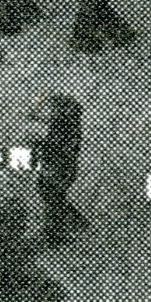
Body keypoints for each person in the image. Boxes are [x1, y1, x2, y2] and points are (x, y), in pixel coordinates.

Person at [35, 94, 88, 246]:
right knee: (53, 196)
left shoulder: (65, 127)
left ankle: (54, 235)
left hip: (60, 168)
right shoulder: (65, 125)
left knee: (51, 196)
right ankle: (76, 223)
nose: (51, 110)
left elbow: (59, 147)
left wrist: (41, 144)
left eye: (54, 108)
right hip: (57, 167)